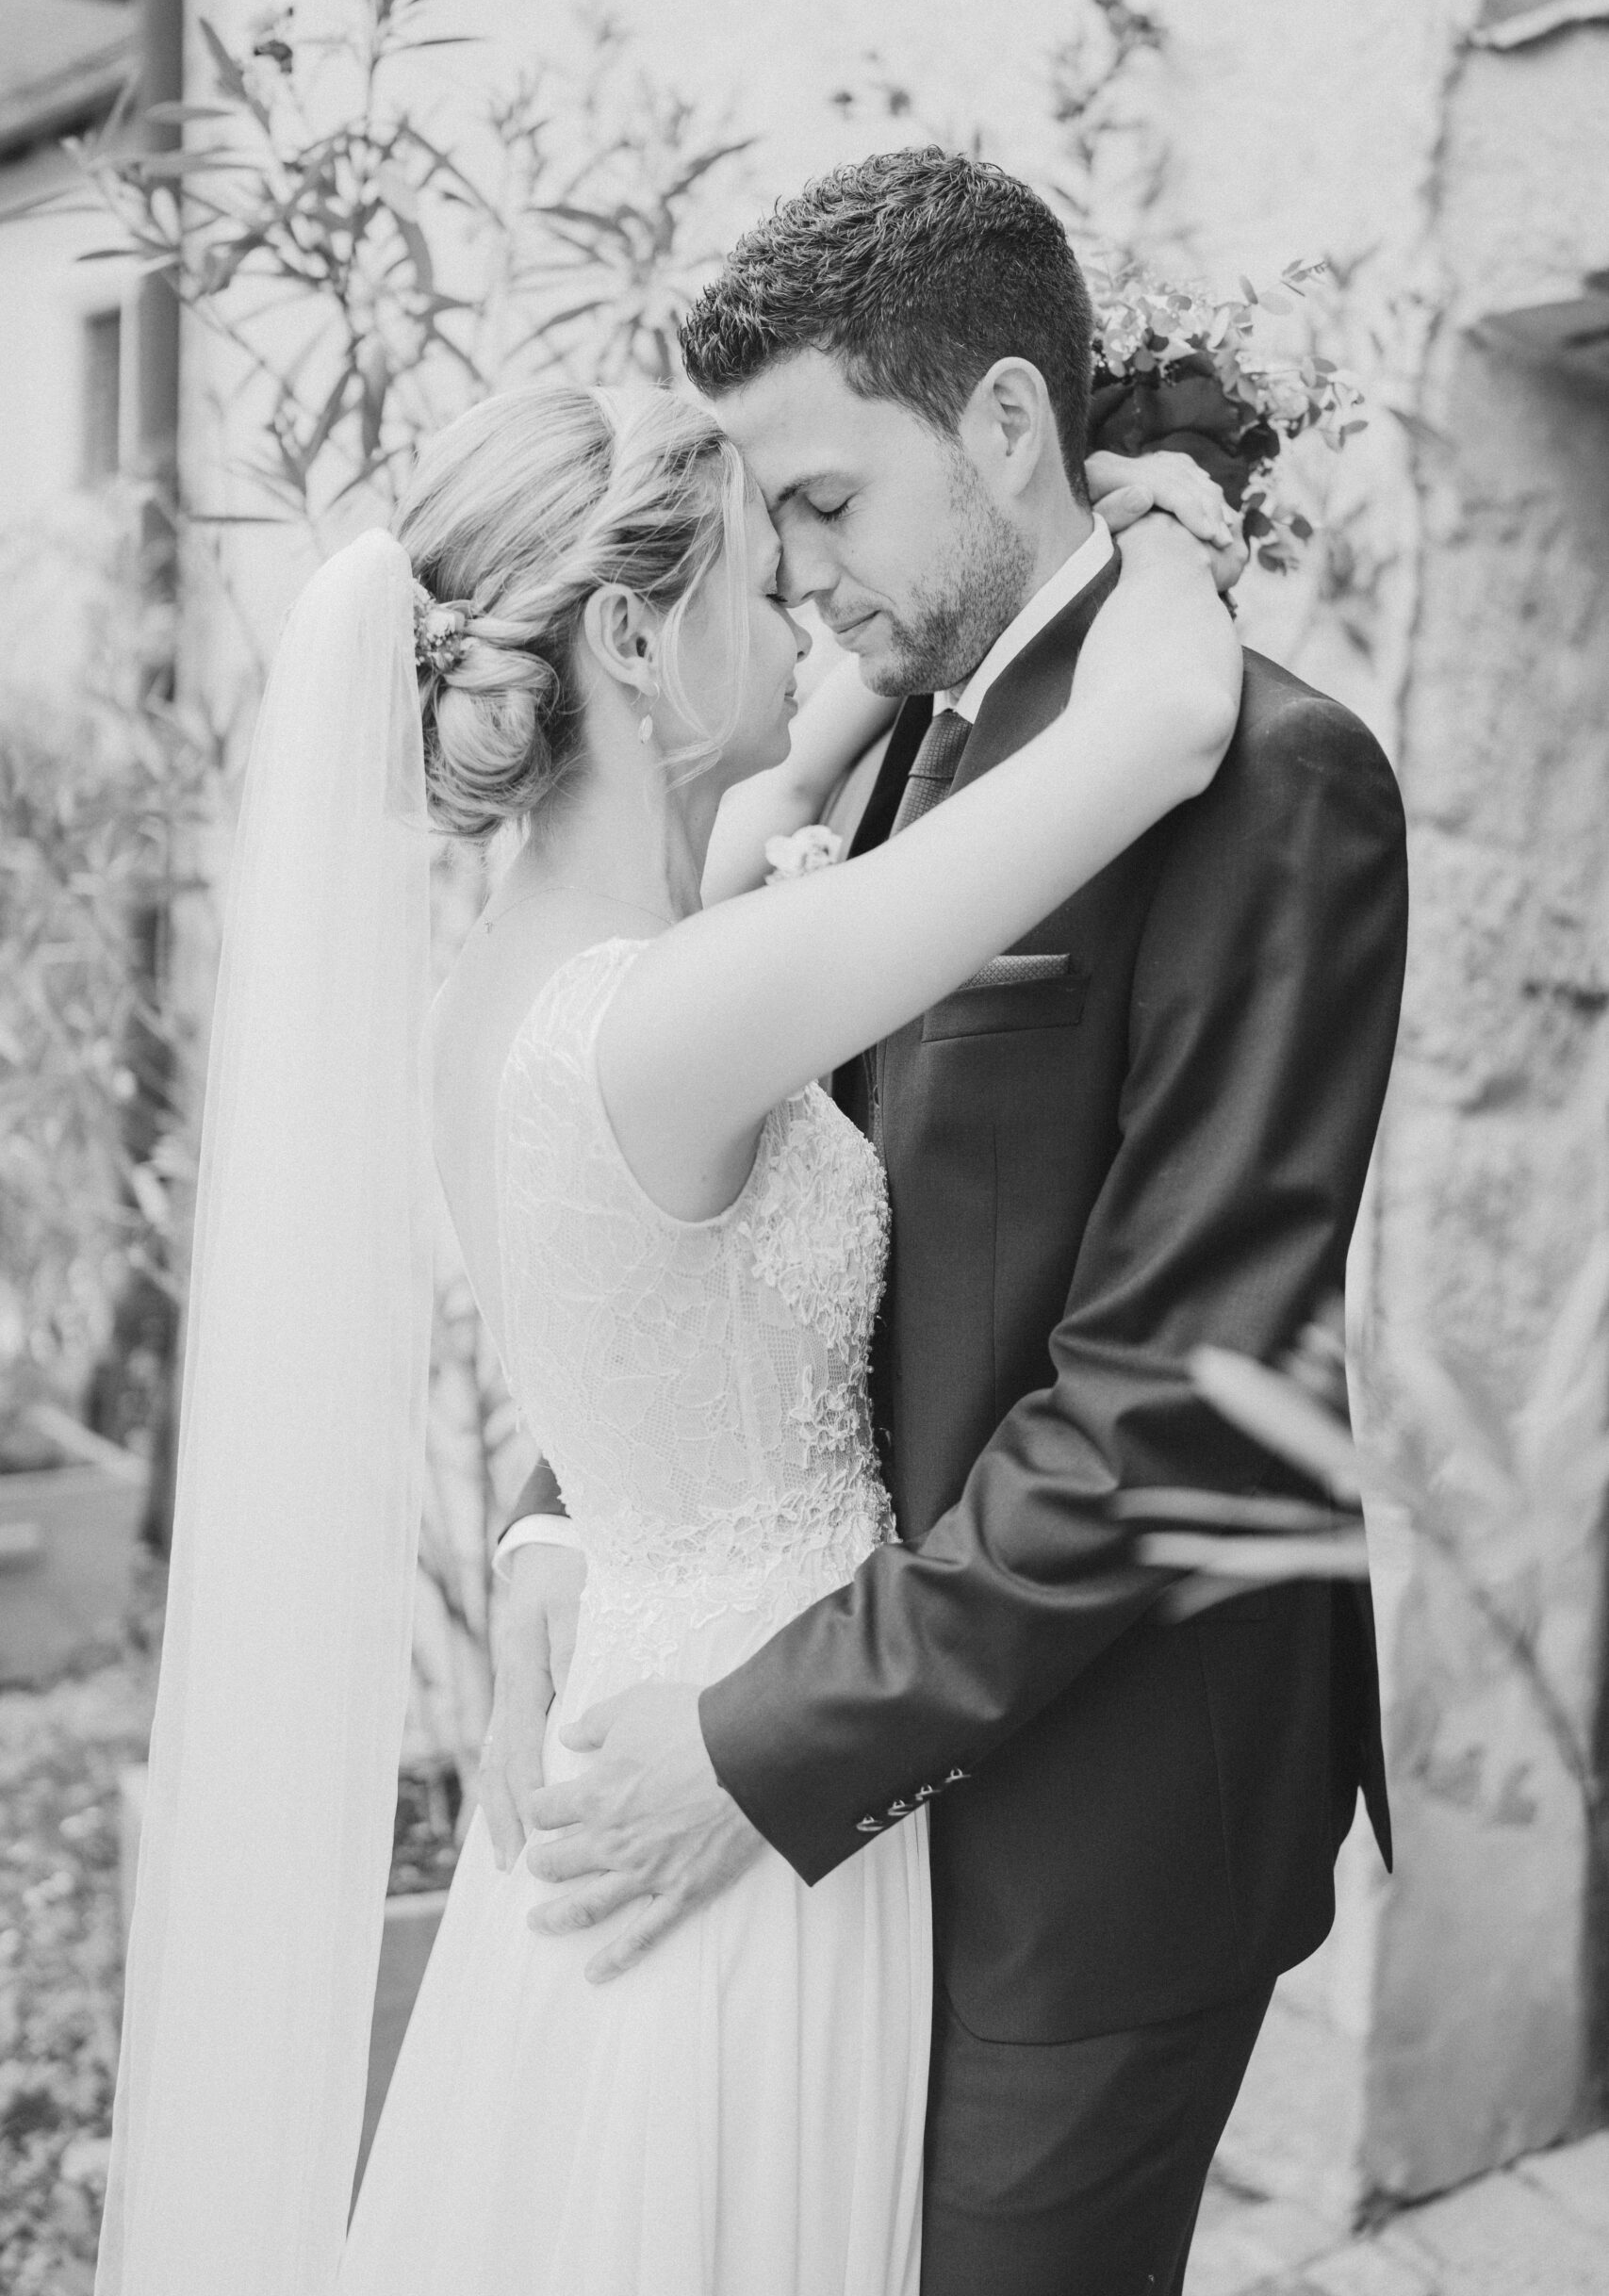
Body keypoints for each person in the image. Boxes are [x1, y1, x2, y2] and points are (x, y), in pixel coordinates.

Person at [95, 354, 1240, 2292]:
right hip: (741, 1776)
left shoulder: (527, 980)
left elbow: (780, 779)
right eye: (761, 577)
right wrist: (1171, 530)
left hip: (639, 1676)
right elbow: (1163, 728)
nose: (806, 614)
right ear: (631, 641)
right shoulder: (675, 1018)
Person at [488, 149, 1411, 2296]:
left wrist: (757, 1744)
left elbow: (1177, 1402)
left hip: (1091, 1852)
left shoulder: (1271, 782)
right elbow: (754, 1219)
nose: (791, 573)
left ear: (1005, 424)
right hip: (847, 1816)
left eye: (823, 500)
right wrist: (572, 1506)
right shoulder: (890, 743)